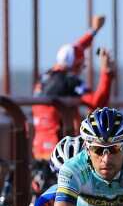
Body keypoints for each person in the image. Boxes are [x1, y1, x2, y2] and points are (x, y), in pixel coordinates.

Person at [31, 15, 114, 161]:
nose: (82, 69)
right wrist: (106, 73)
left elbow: (75, 49)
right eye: (82, 65)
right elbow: (97, 102)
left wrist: (94, 31)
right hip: (59, 147)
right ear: (76, 65)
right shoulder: (70, 82)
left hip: (38, 145)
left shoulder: (46, 77)